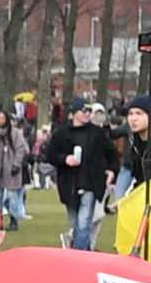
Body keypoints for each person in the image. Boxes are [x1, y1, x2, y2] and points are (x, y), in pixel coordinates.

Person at [46, 100, 115, 250]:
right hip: (69, 185)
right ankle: (86, 251)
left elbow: (111, 153)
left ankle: (79, 256)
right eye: (83, 110)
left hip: (90, 183)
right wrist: (65, 159)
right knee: (75, 223)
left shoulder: (97, 133)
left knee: (84, 222)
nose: (87, 114)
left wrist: (111, 170)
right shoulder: (61, 134)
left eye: (89, 111)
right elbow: (50, 155)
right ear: (73, 113)